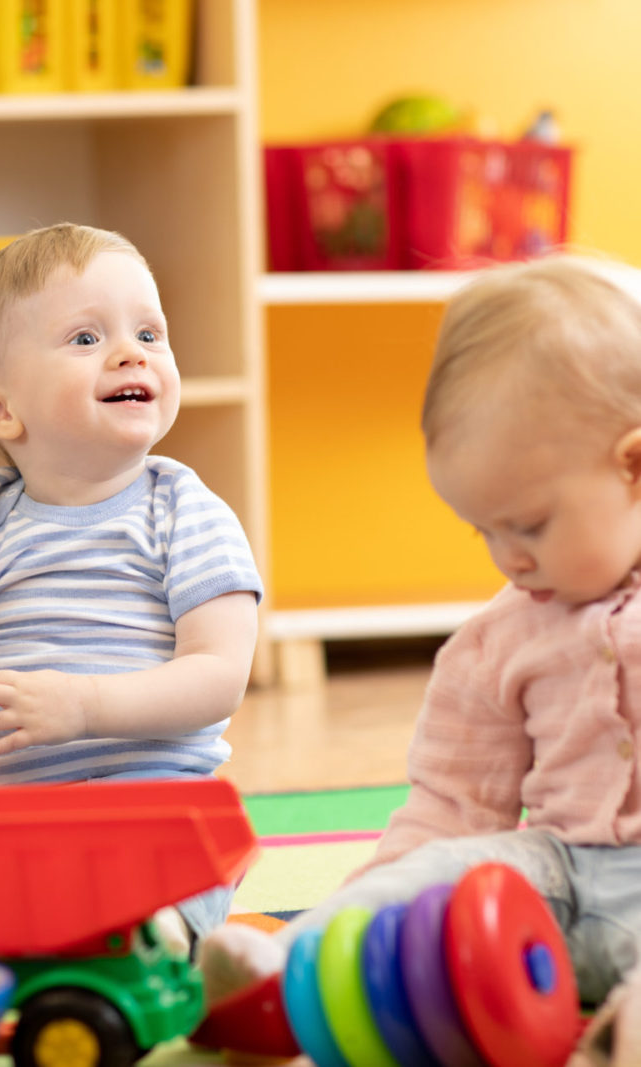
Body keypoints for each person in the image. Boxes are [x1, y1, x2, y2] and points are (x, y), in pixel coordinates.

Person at [197, 255, 641, 1064]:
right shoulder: (493, 643)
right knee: (436, 870)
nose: (509, 558)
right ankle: (281, 971)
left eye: (531, 525)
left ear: (634, 466)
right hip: (562, 876)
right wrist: (380, 913)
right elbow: (451, 802)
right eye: (485, 531)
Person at [0, 223, 263, 950]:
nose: (130, 352)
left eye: (150, 331)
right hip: (19, 822)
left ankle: (164, 938)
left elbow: (219, 676)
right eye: (86, 339)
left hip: (163, 812)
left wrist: (84, 706)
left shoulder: (186, 508)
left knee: (185, 873)